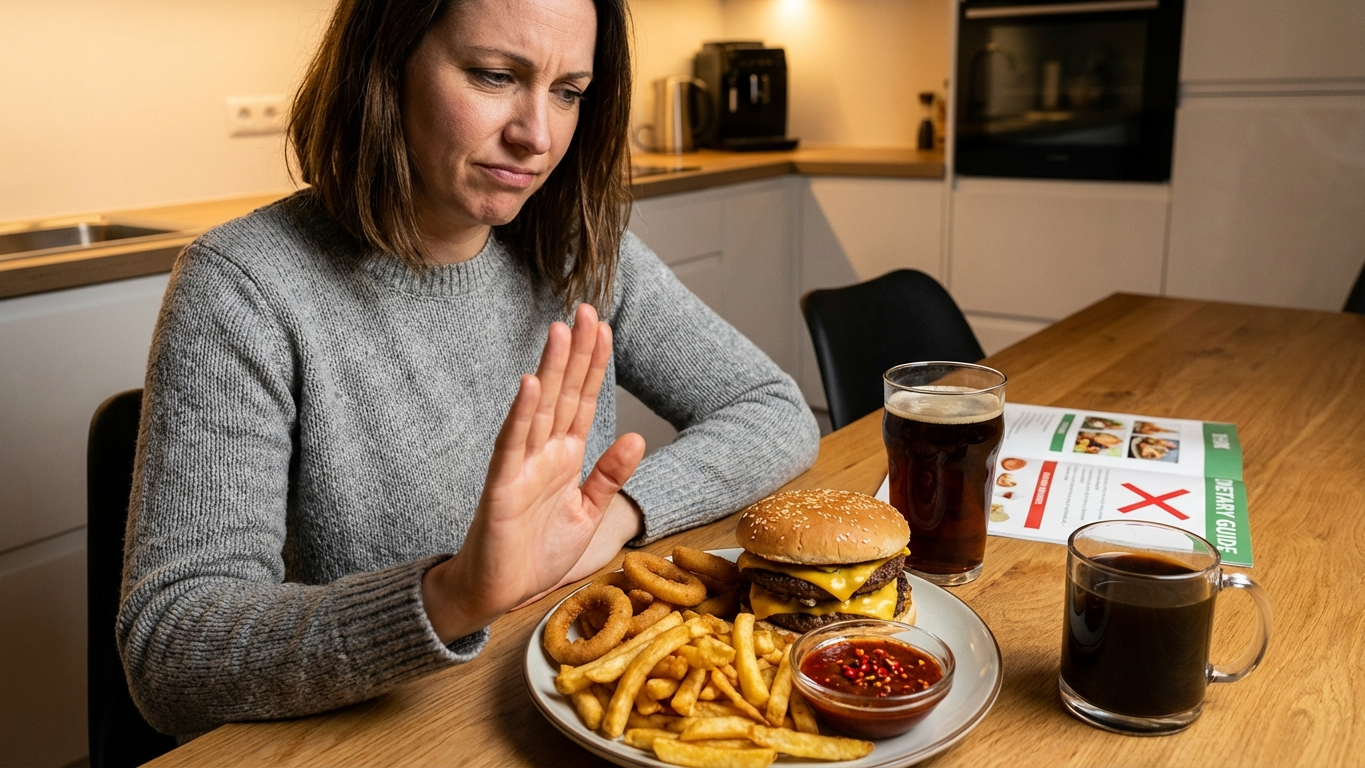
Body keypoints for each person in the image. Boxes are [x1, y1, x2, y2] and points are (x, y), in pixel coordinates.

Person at [117, 0, 819, 738]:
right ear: (382, 67)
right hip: (376, 735)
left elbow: (770, 408)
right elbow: (169, 651)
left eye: (568, 91)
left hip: (553, 697)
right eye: (492, 76)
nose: (536, 136)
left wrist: (615, 516)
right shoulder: (244, 285)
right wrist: (450, 596)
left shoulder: (580, 246)